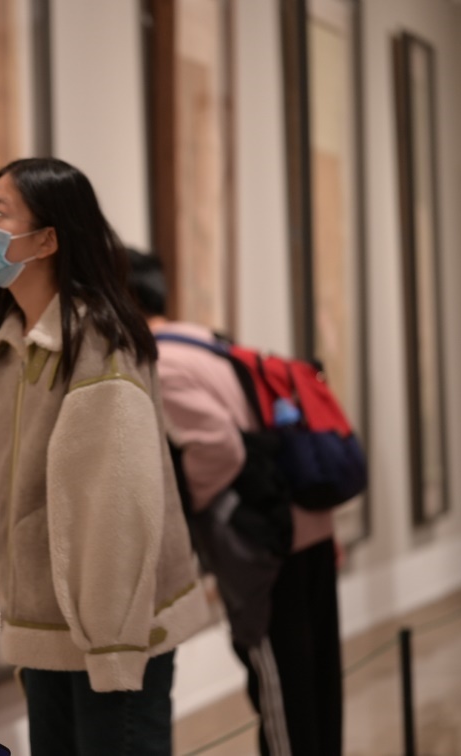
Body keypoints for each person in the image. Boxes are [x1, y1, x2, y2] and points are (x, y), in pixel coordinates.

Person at [0, 157, 209, 755]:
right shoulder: (8, 343)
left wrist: (113, 647)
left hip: (109, 637)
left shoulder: (97, 344)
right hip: (45, 629)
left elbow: (117, 512)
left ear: (47, 239)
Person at [126, 249, 343, 756]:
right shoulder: (204, 339)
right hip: (306, 527)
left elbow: (218, 448)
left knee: (281, 693)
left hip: (267, 546)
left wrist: (188, 506)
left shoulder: (161, 362)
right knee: (316, 687)